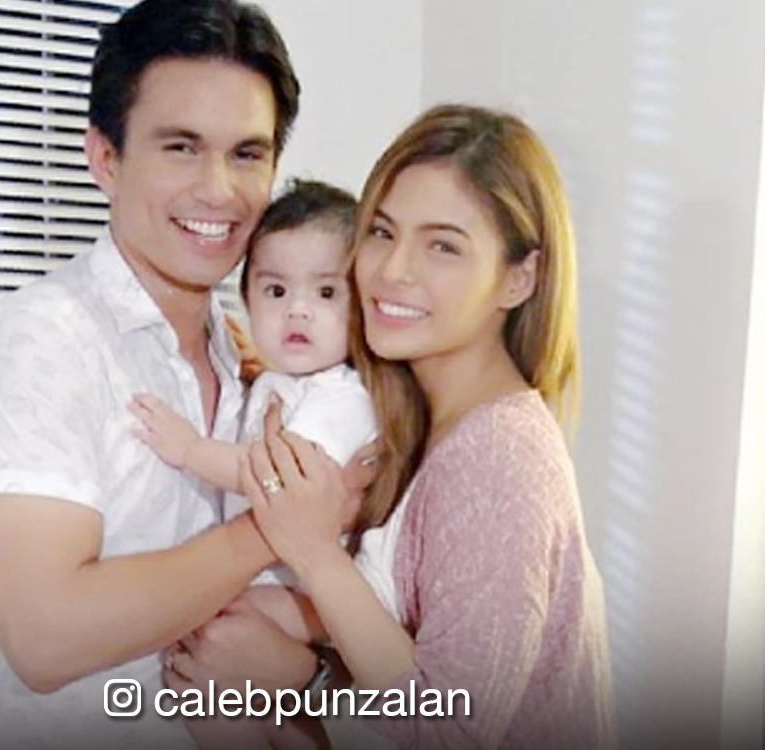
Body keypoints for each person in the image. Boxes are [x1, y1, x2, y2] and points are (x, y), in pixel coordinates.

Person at [0, 1, 350, 748]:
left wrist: (302, 673)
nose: (218, 189)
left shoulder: (257, 353)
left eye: (247, 154)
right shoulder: (39, 344)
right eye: (181, 147)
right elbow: (47, 638)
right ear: (105, 159)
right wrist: (281, 522)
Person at [177, 104, 618, 749]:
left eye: (443, 246)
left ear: (519, 278)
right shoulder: (404, 411)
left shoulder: (500, 458)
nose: (392, 271)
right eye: (383, 232)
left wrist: (304, 668)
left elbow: (452, 730)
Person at [129, 179, 379, 587]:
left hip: (301, 589)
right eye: (276, 291)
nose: (298, 309)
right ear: (247, 300)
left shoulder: (344, 399)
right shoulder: (280, 381)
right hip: (260, 573)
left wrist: (191, 450)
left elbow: (279, 480)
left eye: (326, 292)